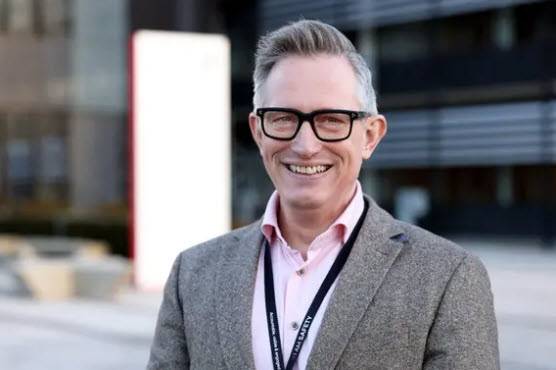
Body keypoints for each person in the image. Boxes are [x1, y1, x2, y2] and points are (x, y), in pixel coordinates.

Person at [147, 20, 499, 370]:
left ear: (371, 135)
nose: (306, 145)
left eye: (331, 119)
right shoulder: (193, 275)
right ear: (258, 131)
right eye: (284, 117)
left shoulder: (448, 279)